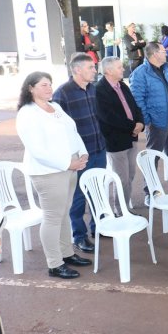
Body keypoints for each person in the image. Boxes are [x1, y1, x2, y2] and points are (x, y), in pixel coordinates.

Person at [16, 72, 92, 279]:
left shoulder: (56, 107)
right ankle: (54, 263)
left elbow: (72, 132)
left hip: (69, 167)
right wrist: (68, 163)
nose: (49, 89)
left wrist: (82, 152)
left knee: (63, 212)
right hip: (49, 173)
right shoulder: (27, 113)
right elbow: (37, 150)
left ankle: (66, 253)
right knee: (52, 217)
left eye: (50, 84)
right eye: (43, 85)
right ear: (30, 88)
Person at [52, 53, 107, 255]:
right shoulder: (62, 94)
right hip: (78, 157)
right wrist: (71, 157)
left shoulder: (93, 89)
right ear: (77, 70)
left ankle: (98, 227)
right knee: (78, 197)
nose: (95, 70)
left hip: (98, 149)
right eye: (91, 67)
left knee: (97, 191)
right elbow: (57, 130)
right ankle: (79, 236)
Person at [95, 57, 145, 214]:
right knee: (121, 178)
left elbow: (135, 106)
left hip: (131, 136)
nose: (123, 69)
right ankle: (120, 210)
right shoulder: (99, 90)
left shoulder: (122, 85)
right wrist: (133, 127)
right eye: (119, 67)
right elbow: (108, 117)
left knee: (130, 175)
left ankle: (123, 206)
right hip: (116, 141)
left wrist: (140, 122)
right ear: (108, 71)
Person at [130, 42, 168, 160]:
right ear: (155, 54)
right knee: (153, 157)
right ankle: (148, 179)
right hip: (156, 122)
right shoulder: (140, 73)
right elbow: (137, 100)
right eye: (164, 52)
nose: (167, 54)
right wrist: (148, 120)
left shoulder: (165, 69)